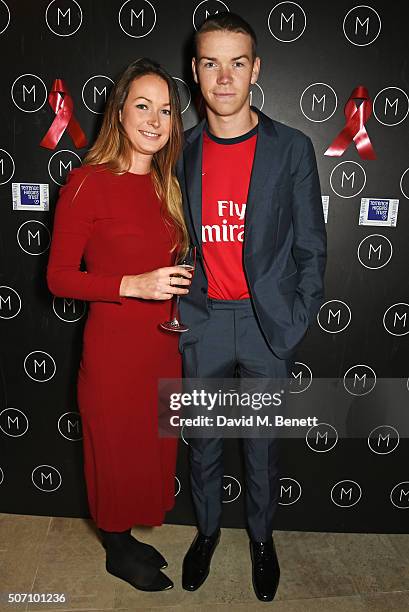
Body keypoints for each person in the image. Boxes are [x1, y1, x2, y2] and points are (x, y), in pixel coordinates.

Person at [177, 13, 327, 602]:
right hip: (205, 321)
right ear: (195, 71)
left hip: (269, 326)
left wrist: (293, 322)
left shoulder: (291, 147)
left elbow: (312, 246)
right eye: (210, 62)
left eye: (236, 63)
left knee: (262, 445)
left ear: (255, 69)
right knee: (205, 441)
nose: (223, 77)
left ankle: (262, 541)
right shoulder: (180, 151)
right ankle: (208, 533)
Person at [47, 58, 192, 592]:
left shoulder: (166, 185)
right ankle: (115, 548)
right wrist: (131, 284)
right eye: (142, 106)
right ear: (119, 112)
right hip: (112, 354)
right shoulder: (87, 183)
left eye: (165, 110)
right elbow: (59, 278)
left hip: (161, 349)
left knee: (146, 455)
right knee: (113, 455)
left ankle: (125, 536)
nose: (155, 120)